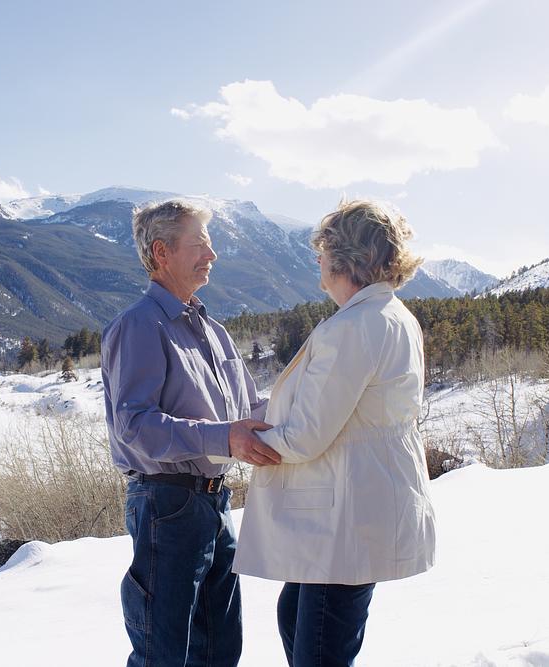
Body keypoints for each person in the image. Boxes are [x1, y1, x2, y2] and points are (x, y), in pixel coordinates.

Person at [233, 200, 437, 667]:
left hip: (346, 517)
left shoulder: (352, 328)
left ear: (345, 258)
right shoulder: (392, 315)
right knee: (295, 617)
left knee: (320, 648)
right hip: (359, 504)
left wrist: (243, 442)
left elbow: (306, 434)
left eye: (323, 250)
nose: (317, 260)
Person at [101, 198, 282, 667]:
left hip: (216, 503)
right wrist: (224, 438)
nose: (212, 254)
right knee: (163, 657)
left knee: (221, 651)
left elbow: (249, 410)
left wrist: (313, 414)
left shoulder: (214, 331)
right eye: (199, 243)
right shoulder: (139, 326)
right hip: (167, 505)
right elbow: (135, 425)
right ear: (161, 253)